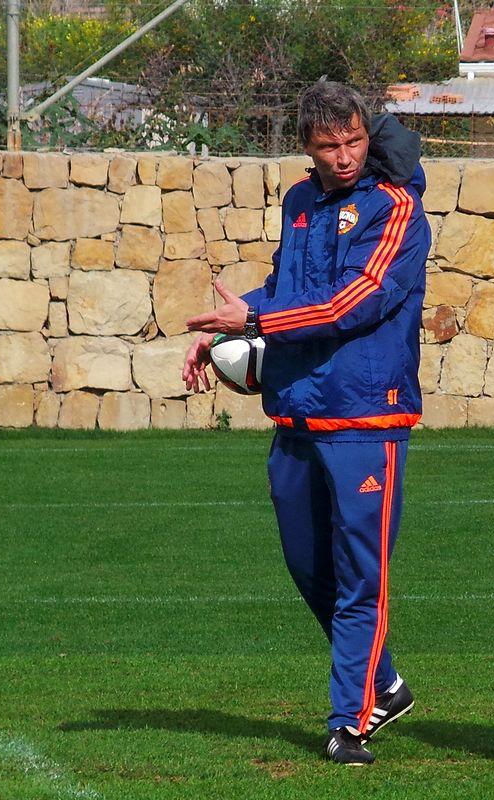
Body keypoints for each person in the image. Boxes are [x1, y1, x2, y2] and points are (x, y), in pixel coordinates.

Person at [181, 81, 431, 765]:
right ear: (307, 147)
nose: (345, 156)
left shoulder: (396, 207)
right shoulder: (298, 201)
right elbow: (288, 289)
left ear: (367, 134)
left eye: (354, 140)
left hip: (367, 415)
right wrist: (223, 329)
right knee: (307, 566)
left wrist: (256, 320)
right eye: (329, 145)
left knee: (360, 577)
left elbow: (355, 301)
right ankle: (385, 684)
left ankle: (350, 722)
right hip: (297, 409)